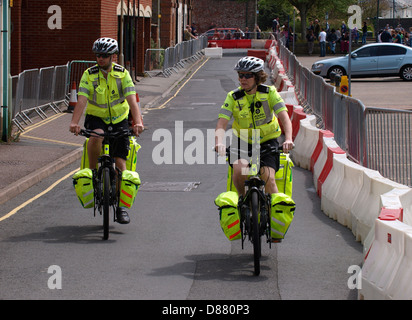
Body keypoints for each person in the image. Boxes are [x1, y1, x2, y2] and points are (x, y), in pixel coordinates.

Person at [69, 37, 144, 224]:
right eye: (97, 55)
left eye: (104, 55)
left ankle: (121, 207)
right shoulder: (89, 74)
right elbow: (82, 100)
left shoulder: (123, 74)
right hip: (97, 118)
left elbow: (132, 100)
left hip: (119, 119)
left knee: (120, 165)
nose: (100, 59)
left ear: (113, 57)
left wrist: (138, 122)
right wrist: (74, 122)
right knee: (97, 136)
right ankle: (94, 173)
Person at [214, 56, 293, 198]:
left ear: (257, 77)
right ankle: (242, 201)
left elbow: (284, 118)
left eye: (247, 75)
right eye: (240, 75)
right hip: (242, 140)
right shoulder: (233, 97)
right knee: (239, 172)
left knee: (268, 178)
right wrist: (218, 143)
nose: (242, 79)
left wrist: (288, 139)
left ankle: (275, 213)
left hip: (267, 141)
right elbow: (221, 123)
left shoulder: (270, 93)